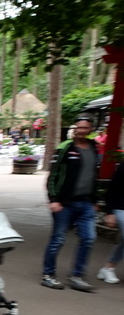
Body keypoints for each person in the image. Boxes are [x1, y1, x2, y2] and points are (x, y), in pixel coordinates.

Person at [42, 117, 99, 291]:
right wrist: (54, 200)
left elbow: (95, 176)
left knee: (88, 238)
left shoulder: (95, 148)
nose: (81, 130)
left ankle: (77, 275)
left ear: (90, 129)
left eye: (85, 128)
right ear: (75, 129)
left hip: (86, 203)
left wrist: (96, 201)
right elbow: (52, 176)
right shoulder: (65, 148)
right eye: (78, 127)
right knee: (58, 239)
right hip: (64, 204)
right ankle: (48, 274)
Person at [96, 161, 124, 284]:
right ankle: (108, 268)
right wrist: (109, 213)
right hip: (121, 207)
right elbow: (112, 189)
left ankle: (108, 267)